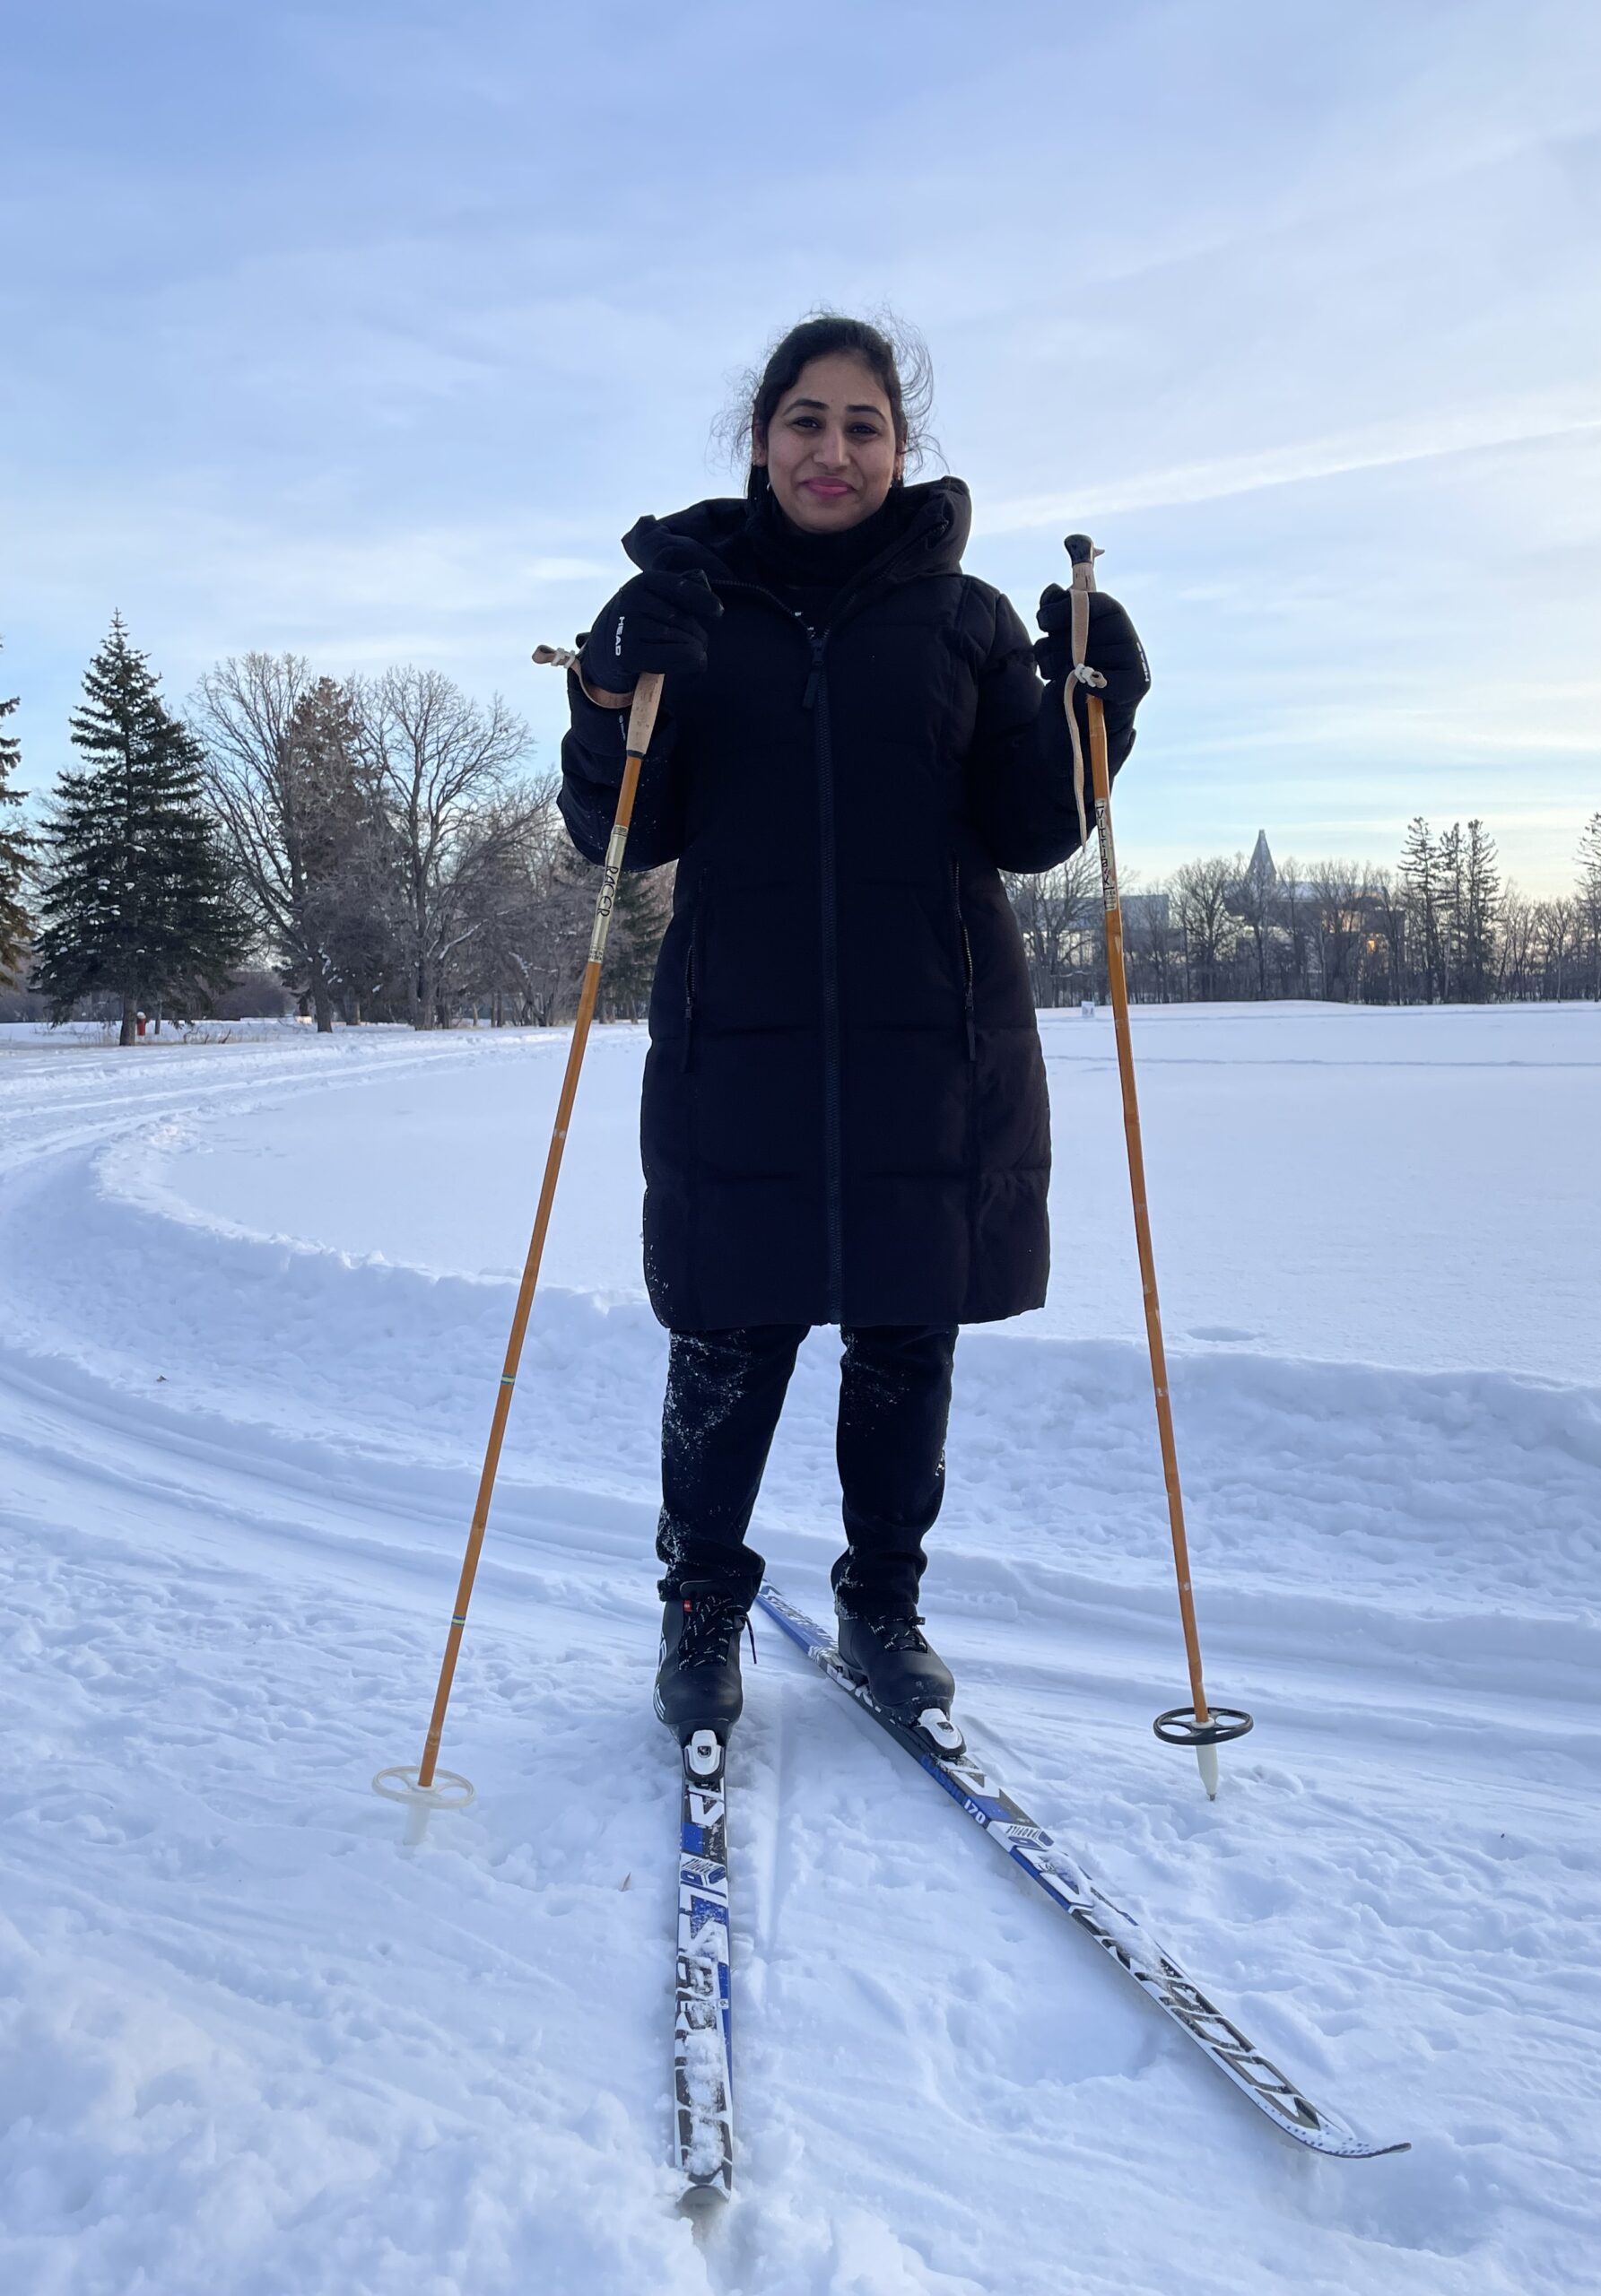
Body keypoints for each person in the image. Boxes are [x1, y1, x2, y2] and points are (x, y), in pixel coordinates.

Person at [558, 313, 1148, 1748]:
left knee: (905, 1341)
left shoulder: (965, 621)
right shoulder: (690, 608)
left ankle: (883, 1604)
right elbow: (616, 834)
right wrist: (603, 693)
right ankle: (700, 1609)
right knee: (728, 1339)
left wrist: (1099, 712)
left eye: (864, 425)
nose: (835, 449)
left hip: (927, 1050)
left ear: (901, 448)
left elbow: (1030, 827)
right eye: (807, 421)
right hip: (737, 1046)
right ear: (761, 440)